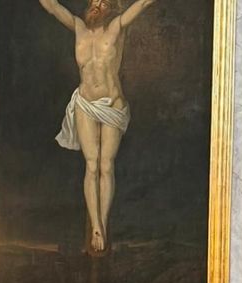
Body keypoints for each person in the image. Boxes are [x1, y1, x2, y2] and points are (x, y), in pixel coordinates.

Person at [39, 0, 156, 255]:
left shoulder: (117, 26)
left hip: (112, 105)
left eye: (103, 3)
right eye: (94, 1)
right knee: (91, 165)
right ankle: (96, 227)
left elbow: (145, 2)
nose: (97, 6)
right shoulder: (78, 26)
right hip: (85, 104)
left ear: (112, 7)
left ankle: (103, 219)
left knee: (106, 166)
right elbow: (50, 6)